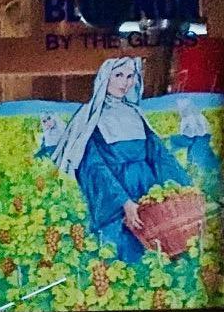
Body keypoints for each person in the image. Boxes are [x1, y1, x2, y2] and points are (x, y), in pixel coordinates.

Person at [48, 56, 188, 264]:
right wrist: (124, 202)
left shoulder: (135, 113)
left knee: (159, 252)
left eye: (130, 76)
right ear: (105, 78)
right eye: (119, 75)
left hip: (148, 190)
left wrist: (182, 187)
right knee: (124, 257)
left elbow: (160, 156)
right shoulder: (91, 118)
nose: (125, 83)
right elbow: (94, 167)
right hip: (116, 198)